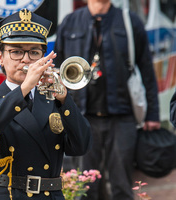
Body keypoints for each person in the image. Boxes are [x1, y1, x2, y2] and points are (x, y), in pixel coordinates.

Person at [0, 9, 92, 200]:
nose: (26, 59)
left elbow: (81, 146)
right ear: (1, 57)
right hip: (5, 195)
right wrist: (24, 88)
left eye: (34, 52)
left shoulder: (54, 99)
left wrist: (65, 101)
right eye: (16, 52)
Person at [54, 0, 160, 200]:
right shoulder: (70, 22)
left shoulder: (130, 21)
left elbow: (147, 70)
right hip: (82, 119)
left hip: (122, 117)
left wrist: (152, 114)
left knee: (121, 186)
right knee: (84, 189)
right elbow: (58, 69)